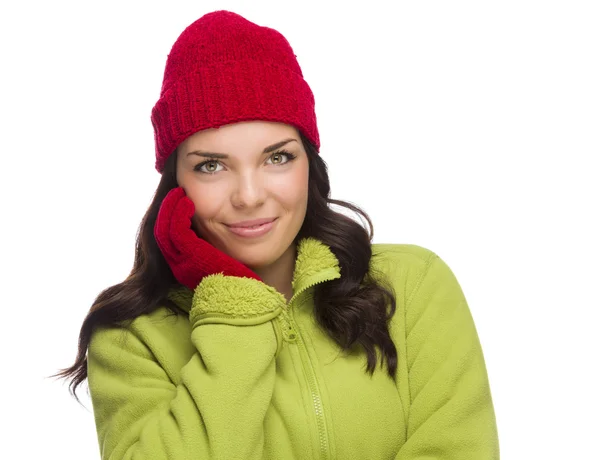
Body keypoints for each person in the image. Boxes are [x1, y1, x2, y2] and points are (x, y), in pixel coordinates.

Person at [55, 9, 500, 459]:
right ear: (176, 185)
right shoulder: (131, 338)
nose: (249, 196)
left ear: (309, 163)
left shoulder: (411, 284)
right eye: (211, 166)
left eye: (277, 158)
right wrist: (233, 306)